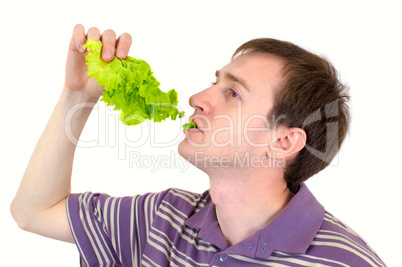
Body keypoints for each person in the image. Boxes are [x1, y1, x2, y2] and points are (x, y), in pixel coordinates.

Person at [10, 24, 385, 266]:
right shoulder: (162, 219)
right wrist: (78, 96)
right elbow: (33, 212)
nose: (197, 98)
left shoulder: (345, 262)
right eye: (214, 81)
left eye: (233, 93)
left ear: (284, 140)